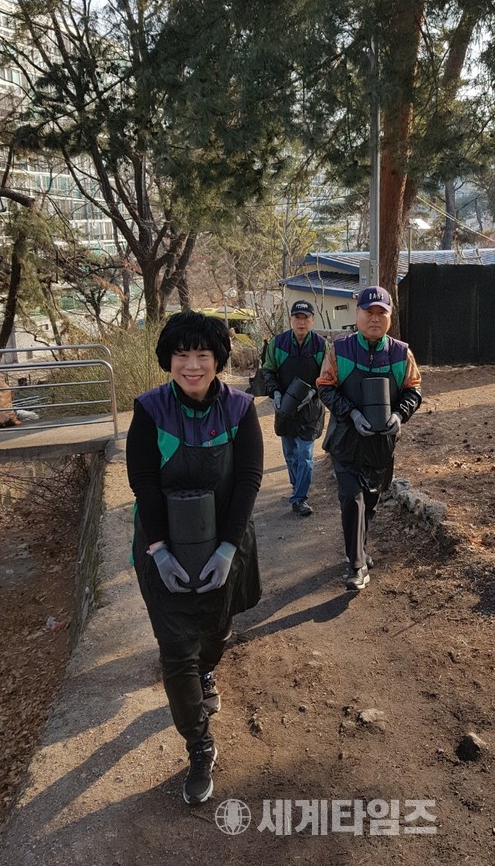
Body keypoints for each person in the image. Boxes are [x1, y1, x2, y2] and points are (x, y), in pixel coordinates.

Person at [126, 310, 263, 805]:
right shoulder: (150, 410)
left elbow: (248, 479)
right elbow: (143, 482)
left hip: (225, 542)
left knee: (217, 631)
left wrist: (228, 547)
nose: (191, 365)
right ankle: (200, 747)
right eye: (181, 354)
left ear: (217, 360)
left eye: (202, 354)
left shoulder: (240, 409)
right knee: (175, 649)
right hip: (162, 545)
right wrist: (159, 550)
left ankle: (208, 668)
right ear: (168, 359)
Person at [316, 285, 422, 591]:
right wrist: (352, 414)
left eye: (381, 313)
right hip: (345, 442)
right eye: (368, 312)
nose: (374, 318)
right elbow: (325, 386)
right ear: (357, 314)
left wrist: (399, 415)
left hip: (381, 445)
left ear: (389, 317)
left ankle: (359, 549)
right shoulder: (340, 350)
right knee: (352, 499)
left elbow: (413, 389)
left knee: (370, 502)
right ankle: (356, 565)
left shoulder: (401, 353)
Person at [262, 299, 327, 516]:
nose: (301, 322)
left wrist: (313, 392)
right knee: (290, 454)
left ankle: (300, 498)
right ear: (291, 319)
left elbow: (327, 375)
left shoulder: (321, 345)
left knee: (305, 455)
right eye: (297, 318)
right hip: (285, 407)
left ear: (312, 320)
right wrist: (276, 393)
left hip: (310, 409)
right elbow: (268, 370)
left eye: (305, 318)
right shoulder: (278, 343)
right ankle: (296, 486)